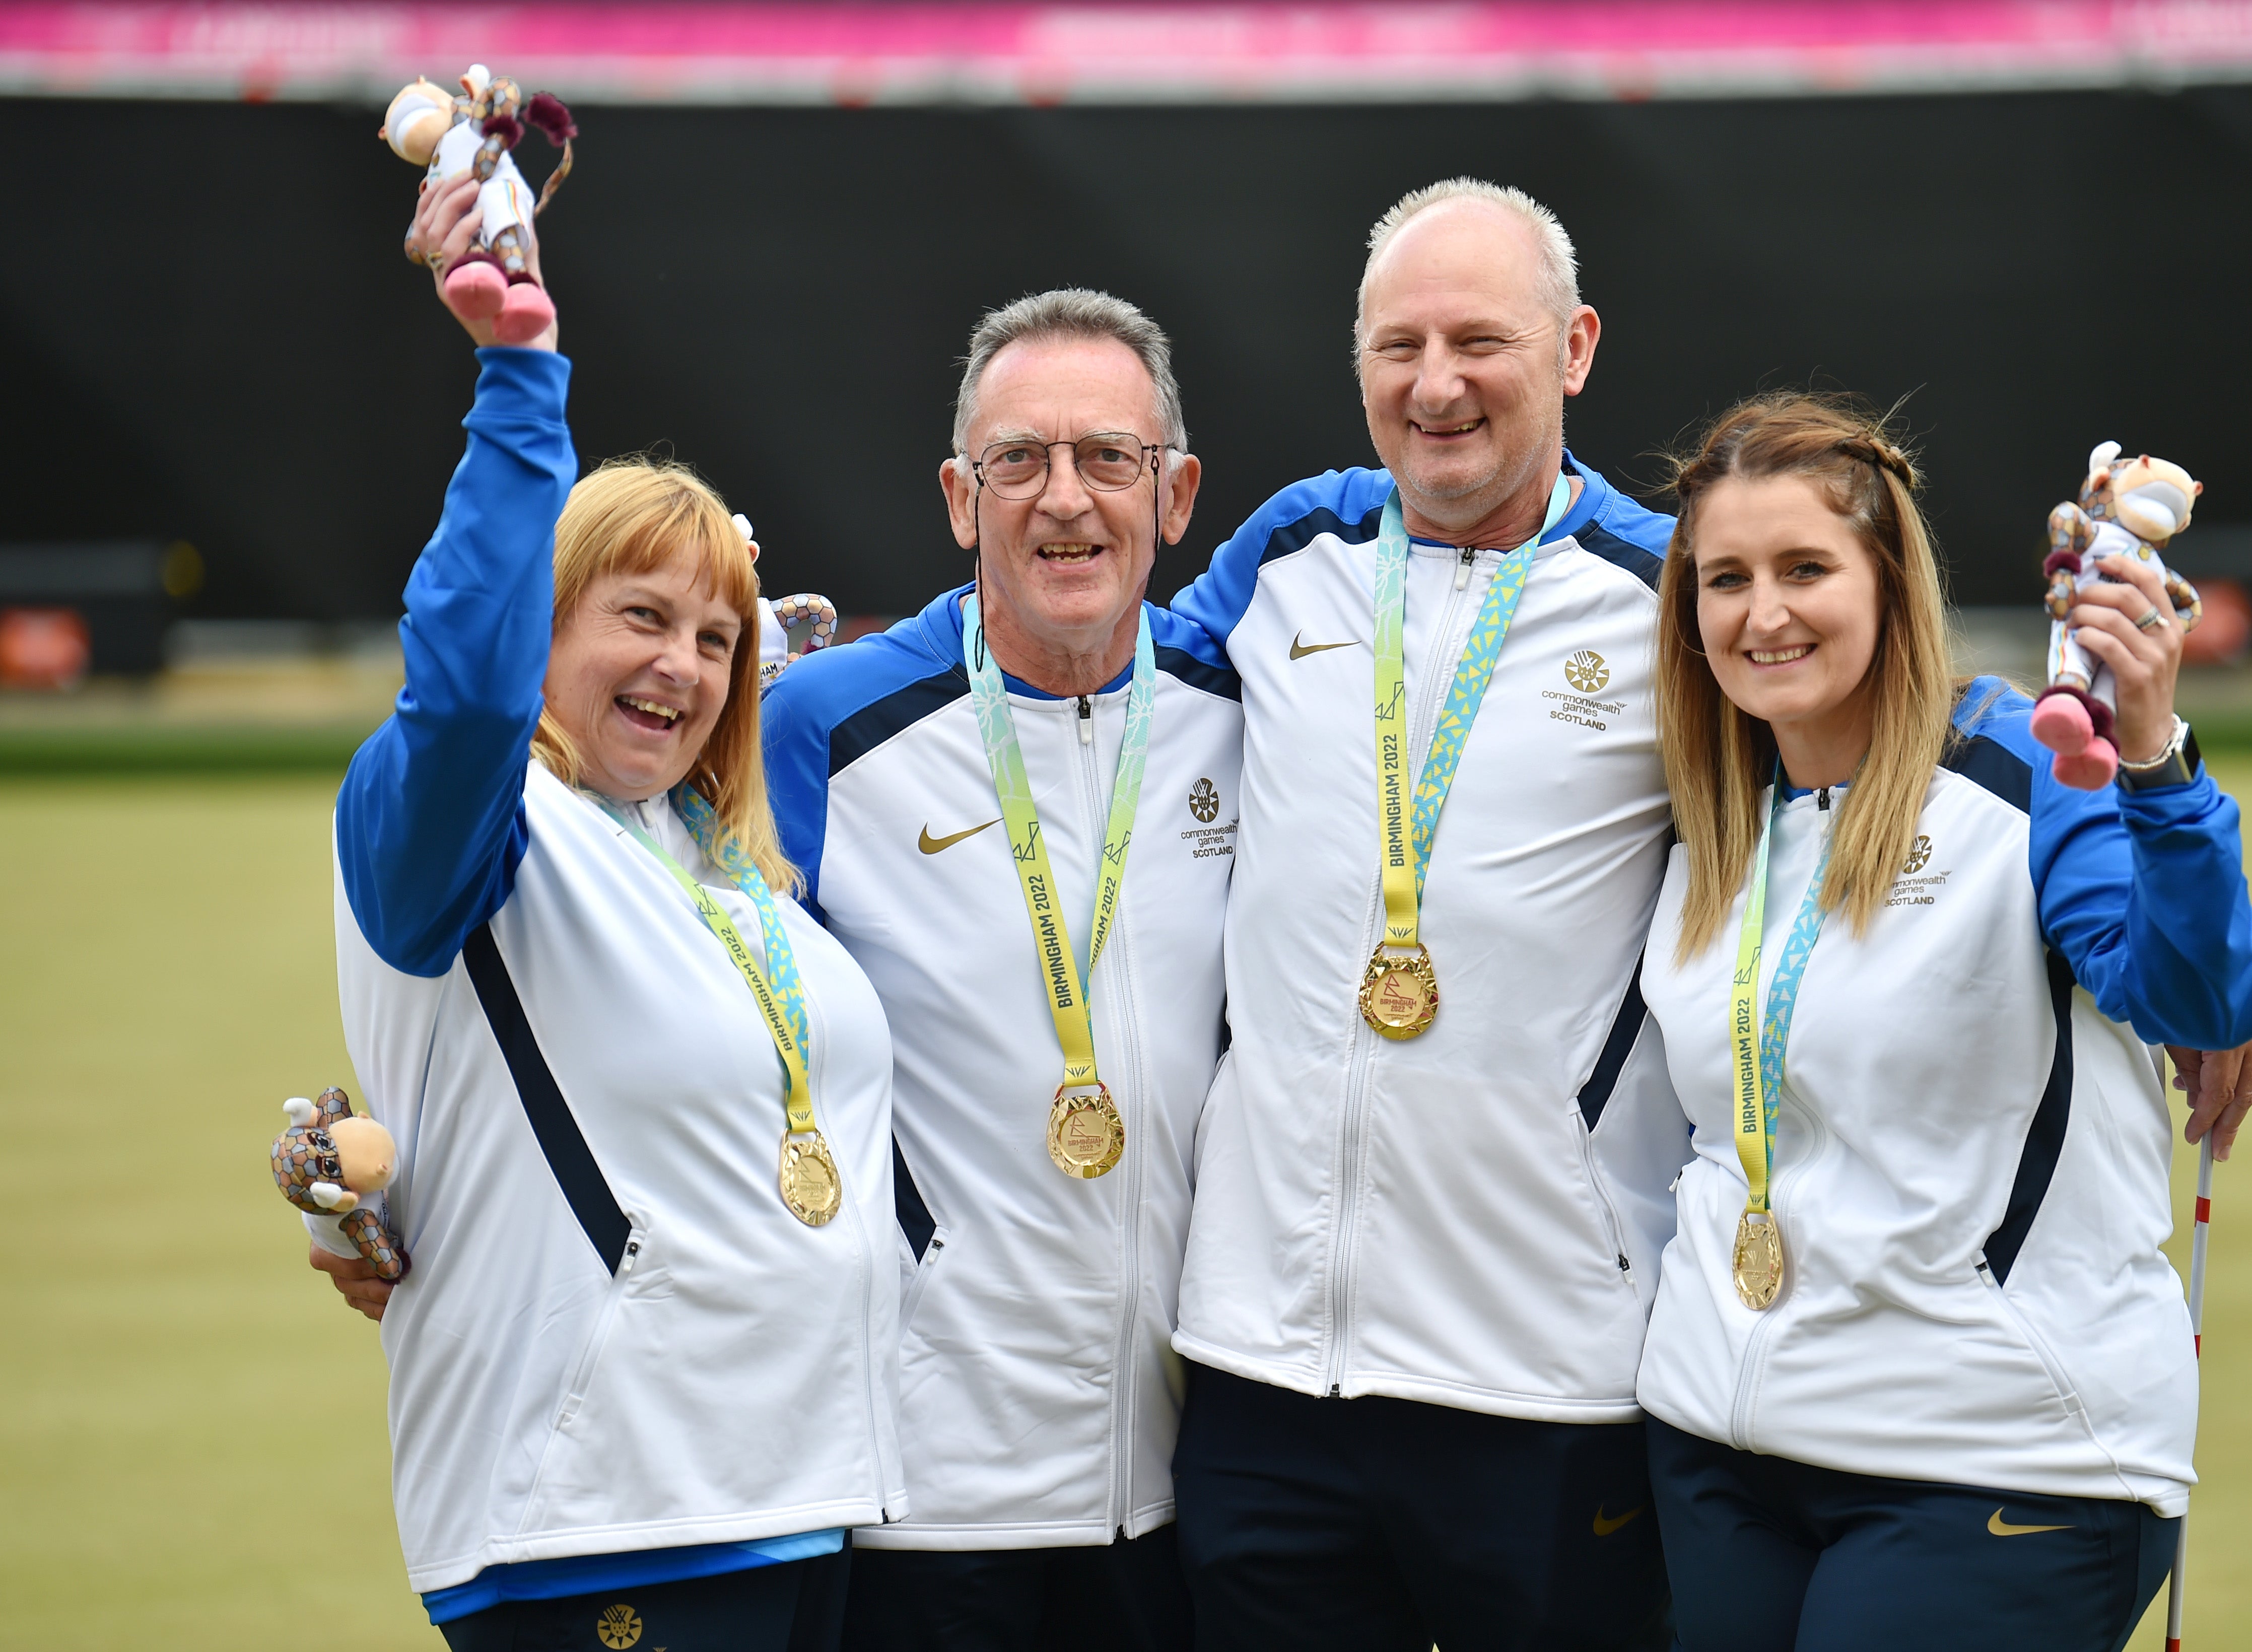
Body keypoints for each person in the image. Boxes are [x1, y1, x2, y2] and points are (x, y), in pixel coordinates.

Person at [319, 172, 904, 1651]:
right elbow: (459, 694)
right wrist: (520, 383)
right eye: (637, 618)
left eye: (713, 639)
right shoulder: (477, 823)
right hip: (596, 1530)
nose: (685, 667)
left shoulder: (707, 852)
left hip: (803, 1500)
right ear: (546, 626)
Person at [1631, 391, 2252, 1651]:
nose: (1762, 613)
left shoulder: (2019, 775)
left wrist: (2152, 759)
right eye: (1726, 577)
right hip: (1718, 1444)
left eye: (1805, 567)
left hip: (1995, 1456)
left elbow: (2195, 993)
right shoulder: (1701, 807)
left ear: (1887, 580)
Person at [1164, 178, 1680, 1650]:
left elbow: (1901, 733)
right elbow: (1095, 699)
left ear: (1573, 348)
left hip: (1544, 1373)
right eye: (1398, 347)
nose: (1434, 385)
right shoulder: (1285, 556)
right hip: (1264, 1372)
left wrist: (2152, 816)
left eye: (1479, 342)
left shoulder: (1671, 599)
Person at [759, 289, 1234, 1650]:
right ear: (963, 499)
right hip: (927, 1491)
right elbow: (664, 982)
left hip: (1193, 1485)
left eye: (1110, 458)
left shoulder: (1255, 711)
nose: (1065, 499)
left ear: (1178, 492)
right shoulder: (822, 728)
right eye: (1020, 460)